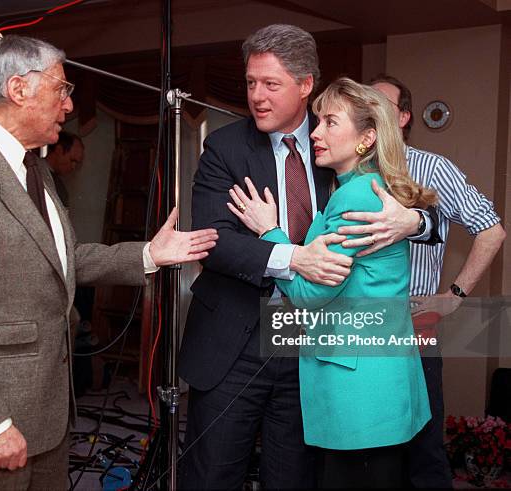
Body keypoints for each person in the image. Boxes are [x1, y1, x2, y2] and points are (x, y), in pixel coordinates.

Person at [0, 35, 217, 490]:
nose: (68, 106)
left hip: (47, 418)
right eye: (62, 89)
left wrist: (149, 254)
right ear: (19, 90)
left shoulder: (35, 168)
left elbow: (62, 259)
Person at [178, 24, 439, 489]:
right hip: (234, 342)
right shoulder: (226, 147)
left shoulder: (336, 154)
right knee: (213, 474)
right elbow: (215, 239)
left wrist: (416, 222)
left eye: (271, 84)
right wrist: (292, 257)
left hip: (314, 352)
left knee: (295, 478)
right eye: (250, 83)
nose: (257, 96)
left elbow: (419, 203)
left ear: (304, 85)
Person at [229, 77, 435, 488]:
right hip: (379, 379)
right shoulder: (364, 188)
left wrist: (271, 234)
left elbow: (310, 296)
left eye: (330, 123)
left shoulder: (356, 197)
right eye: (318, 122)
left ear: (366, 138)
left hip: (359, 388)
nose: (316, 132)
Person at [370, 74, 506, 488]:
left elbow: (491, 230)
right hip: (353, 326)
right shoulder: (344, 170)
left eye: (380, 103)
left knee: (422, 450)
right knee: (367, 451)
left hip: (413, 328)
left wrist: (455, 295)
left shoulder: (431, 168)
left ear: (405, 116)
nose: (368, 109)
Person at [44, 130, 83, 207]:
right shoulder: (37, 173)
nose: (73, 167)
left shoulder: (58, 184)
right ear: (59, 150)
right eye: (72, 160)